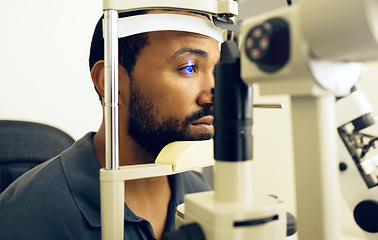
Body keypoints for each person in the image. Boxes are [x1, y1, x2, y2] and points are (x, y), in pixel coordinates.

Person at [0, 9, 220, 240]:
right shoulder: (29, 216)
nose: (211, 95)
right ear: (111, 82)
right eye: (188, 67)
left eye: (216, 71)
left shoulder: (199, 193)